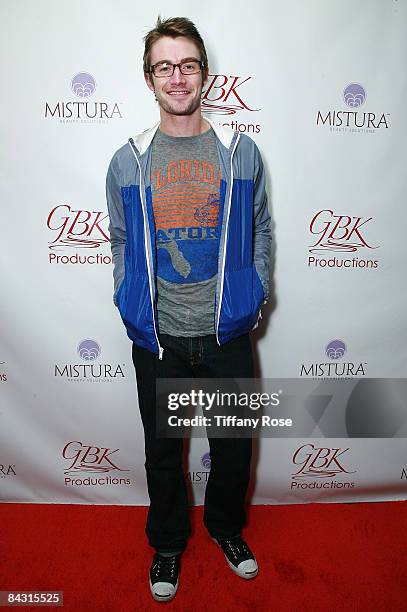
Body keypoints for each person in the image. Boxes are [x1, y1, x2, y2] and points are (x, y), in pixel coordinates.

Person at [106, 16, 271, 603]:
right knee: (162, 451)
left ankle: (226, 530)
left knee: (232, 450)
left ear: (205, 72)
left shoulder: (240, 152)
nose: (178, 77)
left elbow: (261, 229)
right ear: (149, 79)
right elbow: (121, 238)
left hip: (225, 333)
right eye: (164, 66)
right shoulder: (129, 160)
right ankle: (168, 542)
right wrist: (129, 298)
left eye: (189, 64)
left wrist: (253, 297)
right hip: (161, 336)